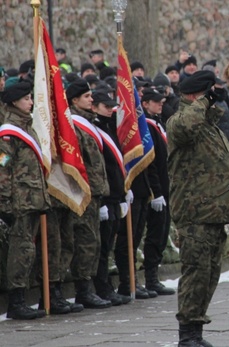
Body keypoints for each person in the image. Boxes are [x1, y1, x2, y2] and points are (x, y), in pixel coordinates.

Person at [166, 70, 229, 346]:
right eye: (211, 92)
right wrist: (202, 102)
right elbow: (184, 128)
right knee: (195, 274)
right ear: (196, 95)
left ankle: (196, 332)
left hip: (212, 215)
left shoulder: (207, 124)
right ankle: (187, 336)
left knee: (208, 275)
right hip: (194, 215)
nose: (215, 98)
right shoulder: (180, 120)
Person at [0, 81, 51, 320]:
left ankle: (23, 297)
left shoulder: (27, 128)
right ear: (14, 102)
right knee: (19, 251)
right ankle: (16, 301)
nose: (31, 102)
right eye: (27, 99)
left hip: (31, 199)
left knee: (27, 250)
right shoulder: (8, 133)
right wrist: (5, 203)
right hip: (18, 202)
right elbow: (2, 168)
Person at [65, 78, 112, 308]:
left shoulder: (87, 122)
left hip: (94, 192)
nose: (92, 99)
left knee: (92, 241)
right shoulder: (73, 124)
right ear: (74, 100)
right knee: (84, 241)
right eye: (87, 96)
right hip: (82, 193)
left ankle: (88, 287)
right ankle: (82, 290)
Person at [91, 90, 132, 306]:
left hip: (114, 194)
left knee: (108, 243)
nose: (110, 109)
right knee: (101, 245)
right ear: (94, 107)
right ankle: (101, 286)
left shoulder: (109, 127)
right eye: (105, 106)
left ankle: (106, 285)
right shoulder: (94, 129)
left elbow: (116, 164)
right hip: (104, 197)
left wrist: (123, 192)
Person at [140, 88, 176, 296]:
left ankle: (154, 277)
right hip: (156, 189)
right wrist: (156, 191)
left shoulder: (158, 122)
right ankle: (150, 278)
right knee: (155, 234)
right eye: (155, 102)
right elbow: (150, 163)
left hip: (166, 186)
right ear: (145, 104)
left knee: (162, 233)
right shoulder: (147, 126)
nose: (160, 104)